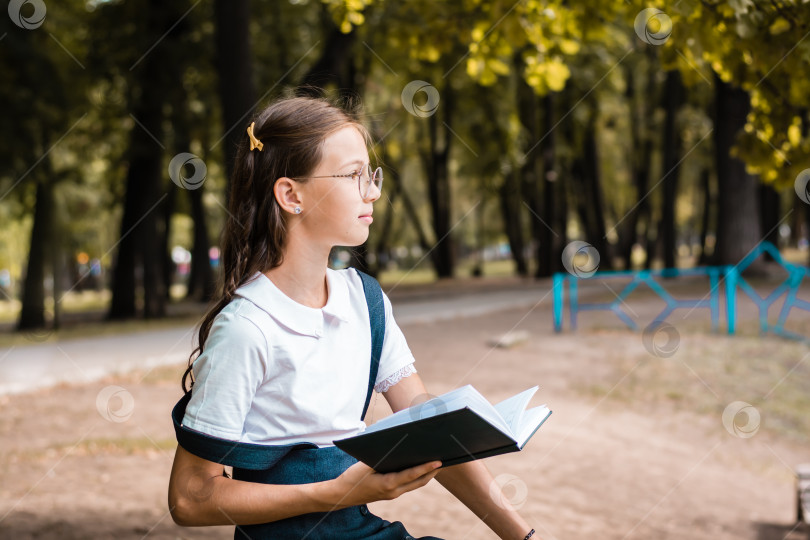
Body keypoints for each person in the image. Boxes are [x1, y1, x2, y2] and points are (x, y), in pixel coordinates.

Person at [167, 95, 537, 540]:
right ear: (291, 195)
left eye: (371, 175)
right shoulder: (247, 329)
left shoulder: (364, 299)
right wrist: (333, 493)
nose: (374, 191)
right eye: (353, 175)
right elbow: (188, 499)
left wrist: (524, 536)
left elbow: (421, 418)